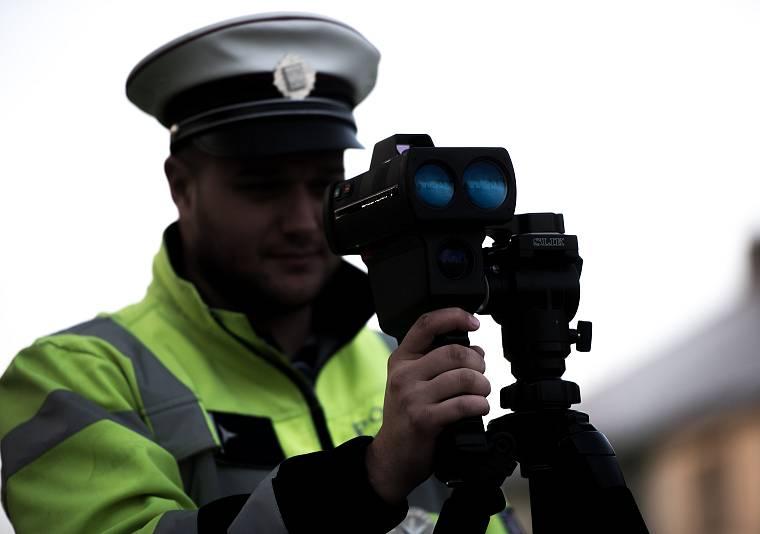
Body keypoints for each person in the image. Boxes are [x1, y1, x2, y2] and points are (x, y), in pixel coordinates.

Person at [0, 13, 521, 533]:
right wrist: (368, 476)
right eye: (262, 186)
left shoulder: (400, 360)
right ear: (181, 185)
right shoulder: (71, 378)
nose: (301, 222)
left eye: (324, 184)